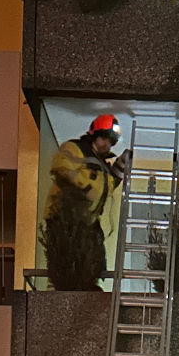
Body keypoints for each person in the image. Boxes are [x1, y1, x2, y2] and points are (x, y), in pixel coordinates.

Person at [42, 114, 130, 288]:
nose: (107, 144)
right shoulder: (75, 149)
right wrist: (85, 189)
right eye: (104, 138)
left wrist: (121, 164)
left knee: (93, 257)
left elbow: (109, 185)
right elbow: (62, 168)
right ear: (94, 135)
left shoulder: (101, 164)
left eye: (111, 142)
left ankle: (88, 287)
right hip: (66, 218)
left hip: (87, 220)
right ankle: (59, 293)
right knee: (65, 263)